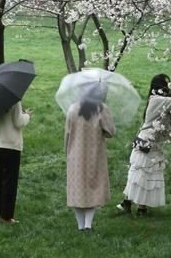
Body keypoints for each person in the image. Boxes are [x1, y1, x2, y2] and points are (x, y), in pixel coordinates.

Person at [119, 74, 171, 215]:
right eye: (167, 84)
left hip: (154, 143)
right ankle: (128, 203)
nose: (169, 87)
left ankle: (140, 207)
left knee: (148, 175)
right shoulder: (156, 100)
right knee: (140, 175)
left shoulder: (162, 100)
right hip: (147, 143)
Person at [64, 84, 115, 231]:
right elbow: (111, 131)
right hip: (94, 154)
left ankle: (80, 226)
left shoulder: (72, 109)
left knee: (76, 188)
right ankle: (88, 225)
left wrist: (66, 151)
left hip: (75, 154)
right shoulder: (101, 109)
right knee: (93, 187)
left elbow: (67, 133)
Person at [0, 101, 31, 223]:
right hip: (11, 144)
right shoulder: (14, 99)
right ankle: (7, 216)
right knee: (10, 181)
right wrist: (27, 115)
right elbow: (18, 122)